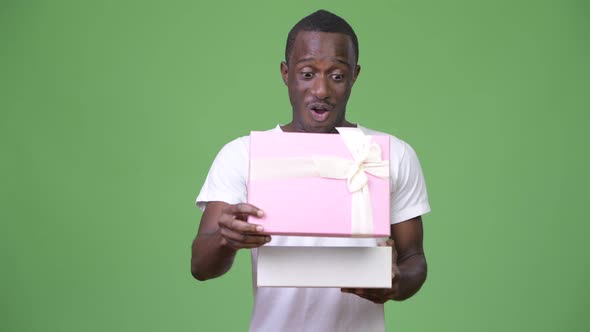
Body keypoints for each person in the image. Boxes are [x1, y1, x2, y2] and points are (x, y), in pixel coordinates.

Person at [191, 9, 430, 332]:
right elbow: (201, 266)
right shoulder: (243, 154)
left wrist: (398, 283)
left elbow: (414, 258)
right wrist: (226, 238)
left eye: (336, 75)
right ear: (286, 73)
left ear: (354, 76)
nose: (321, 90)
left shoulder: (392, 153)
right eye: (307, 74)